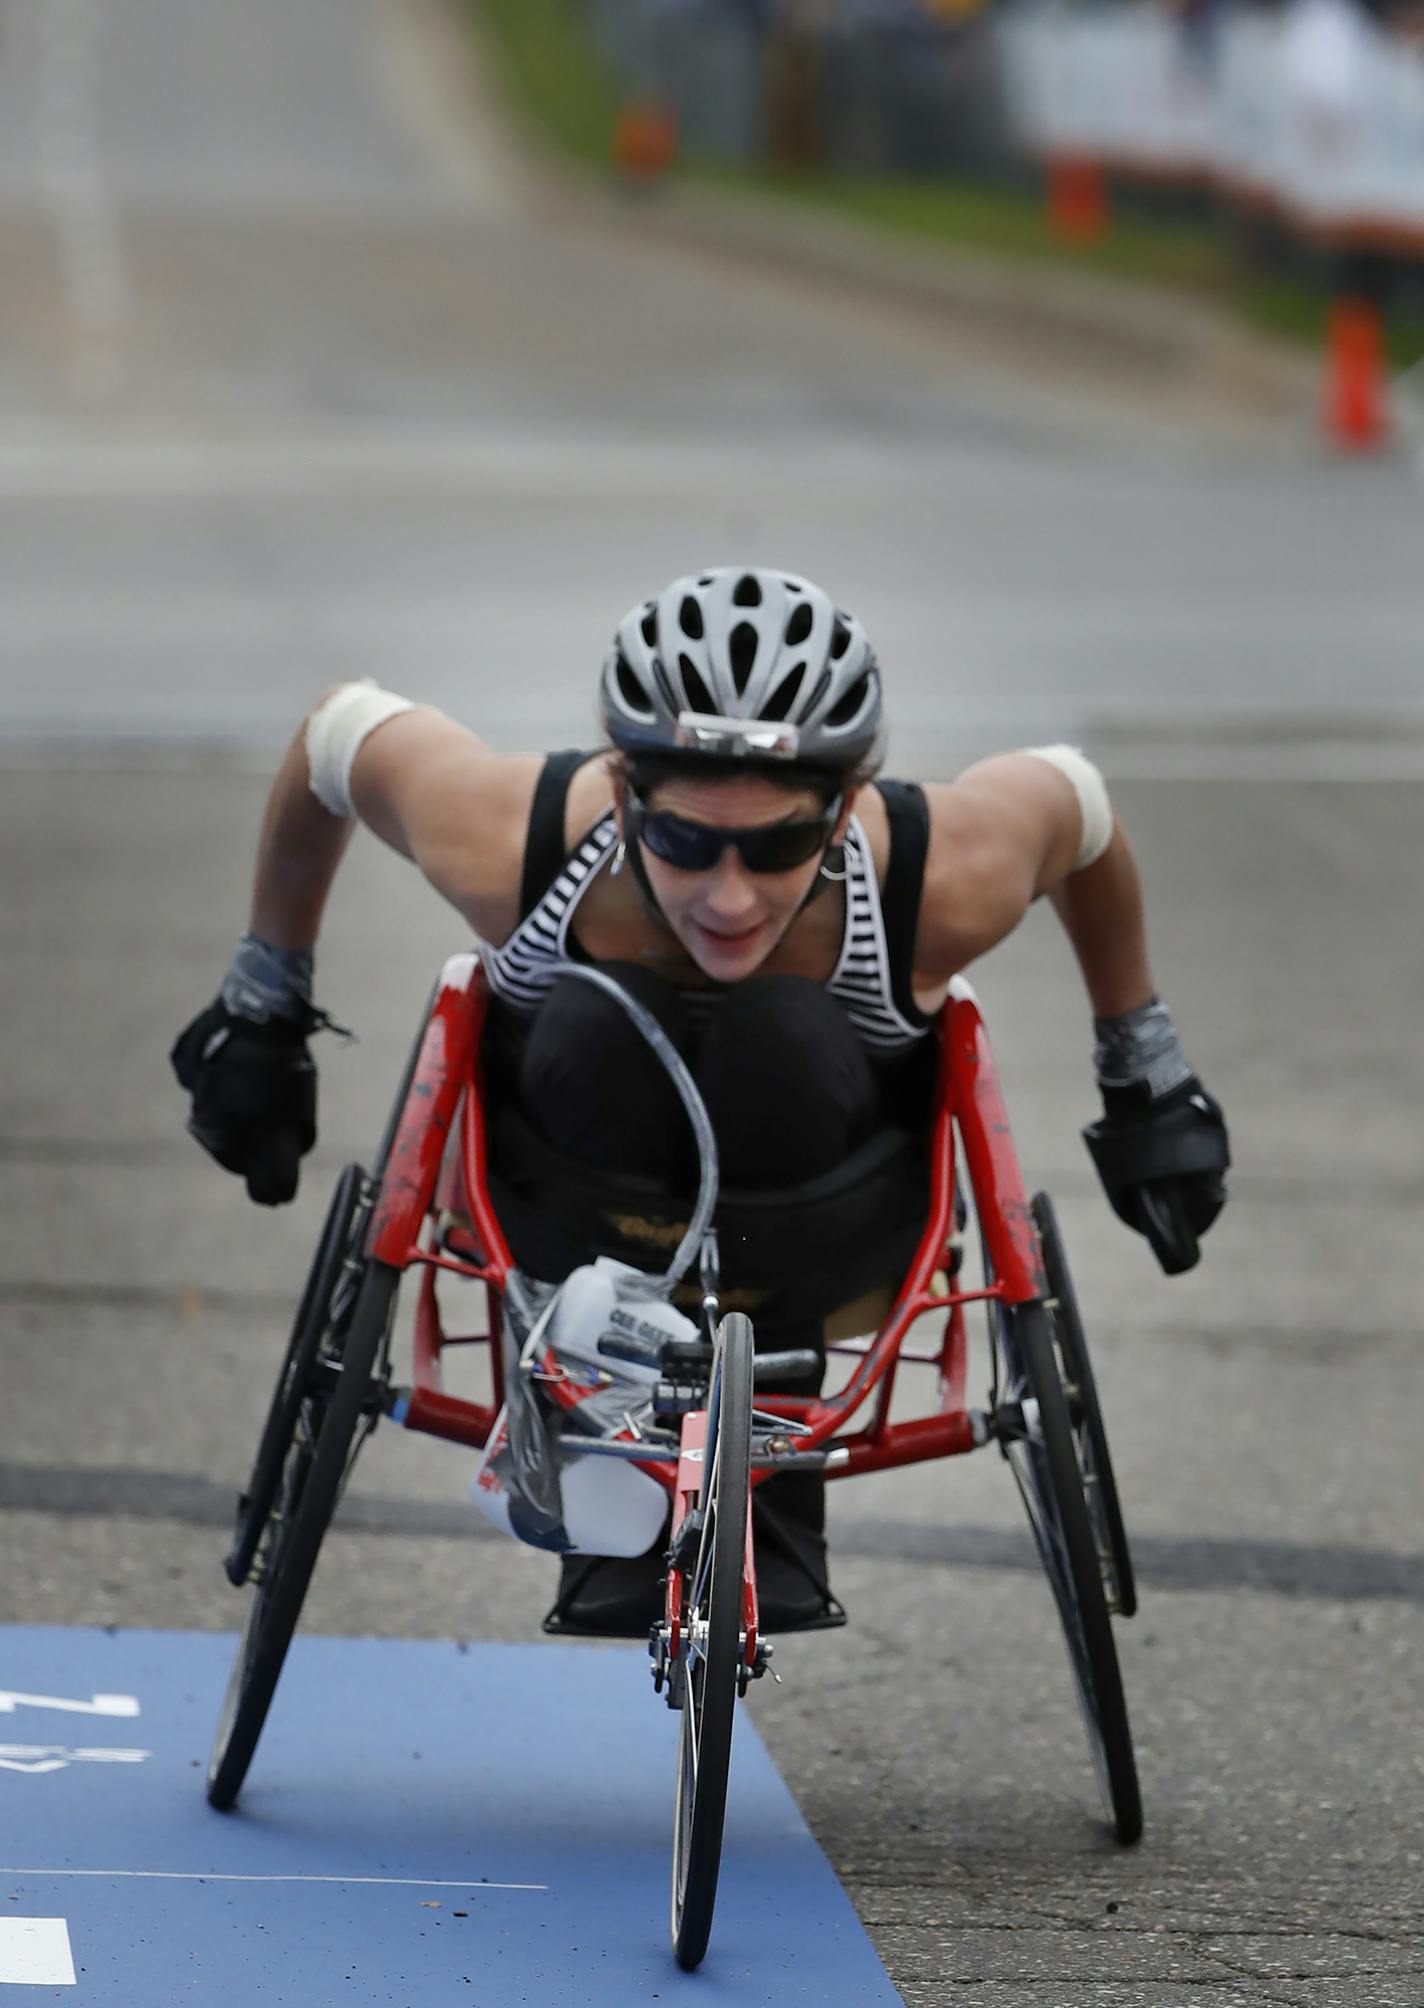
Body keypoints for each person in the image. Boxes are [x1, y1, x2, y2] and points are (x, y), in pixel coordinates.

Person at [172, 565, 1230, 1633]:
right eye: (683, 840)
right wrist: (264, 1003)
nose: (728, 896)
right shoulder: (516, 840)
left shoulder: (932, 874)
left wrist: (1144, 1073)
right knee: (596, 1019)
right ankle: (599, 1437)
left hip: (824, 1231)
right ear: (624, 795)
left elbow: (1076, 805)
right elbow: (338, 735)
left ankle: (761, 1465)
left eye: (774, 846)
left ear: (840, 810)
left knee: (780, 1029)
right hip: (568, 1204)